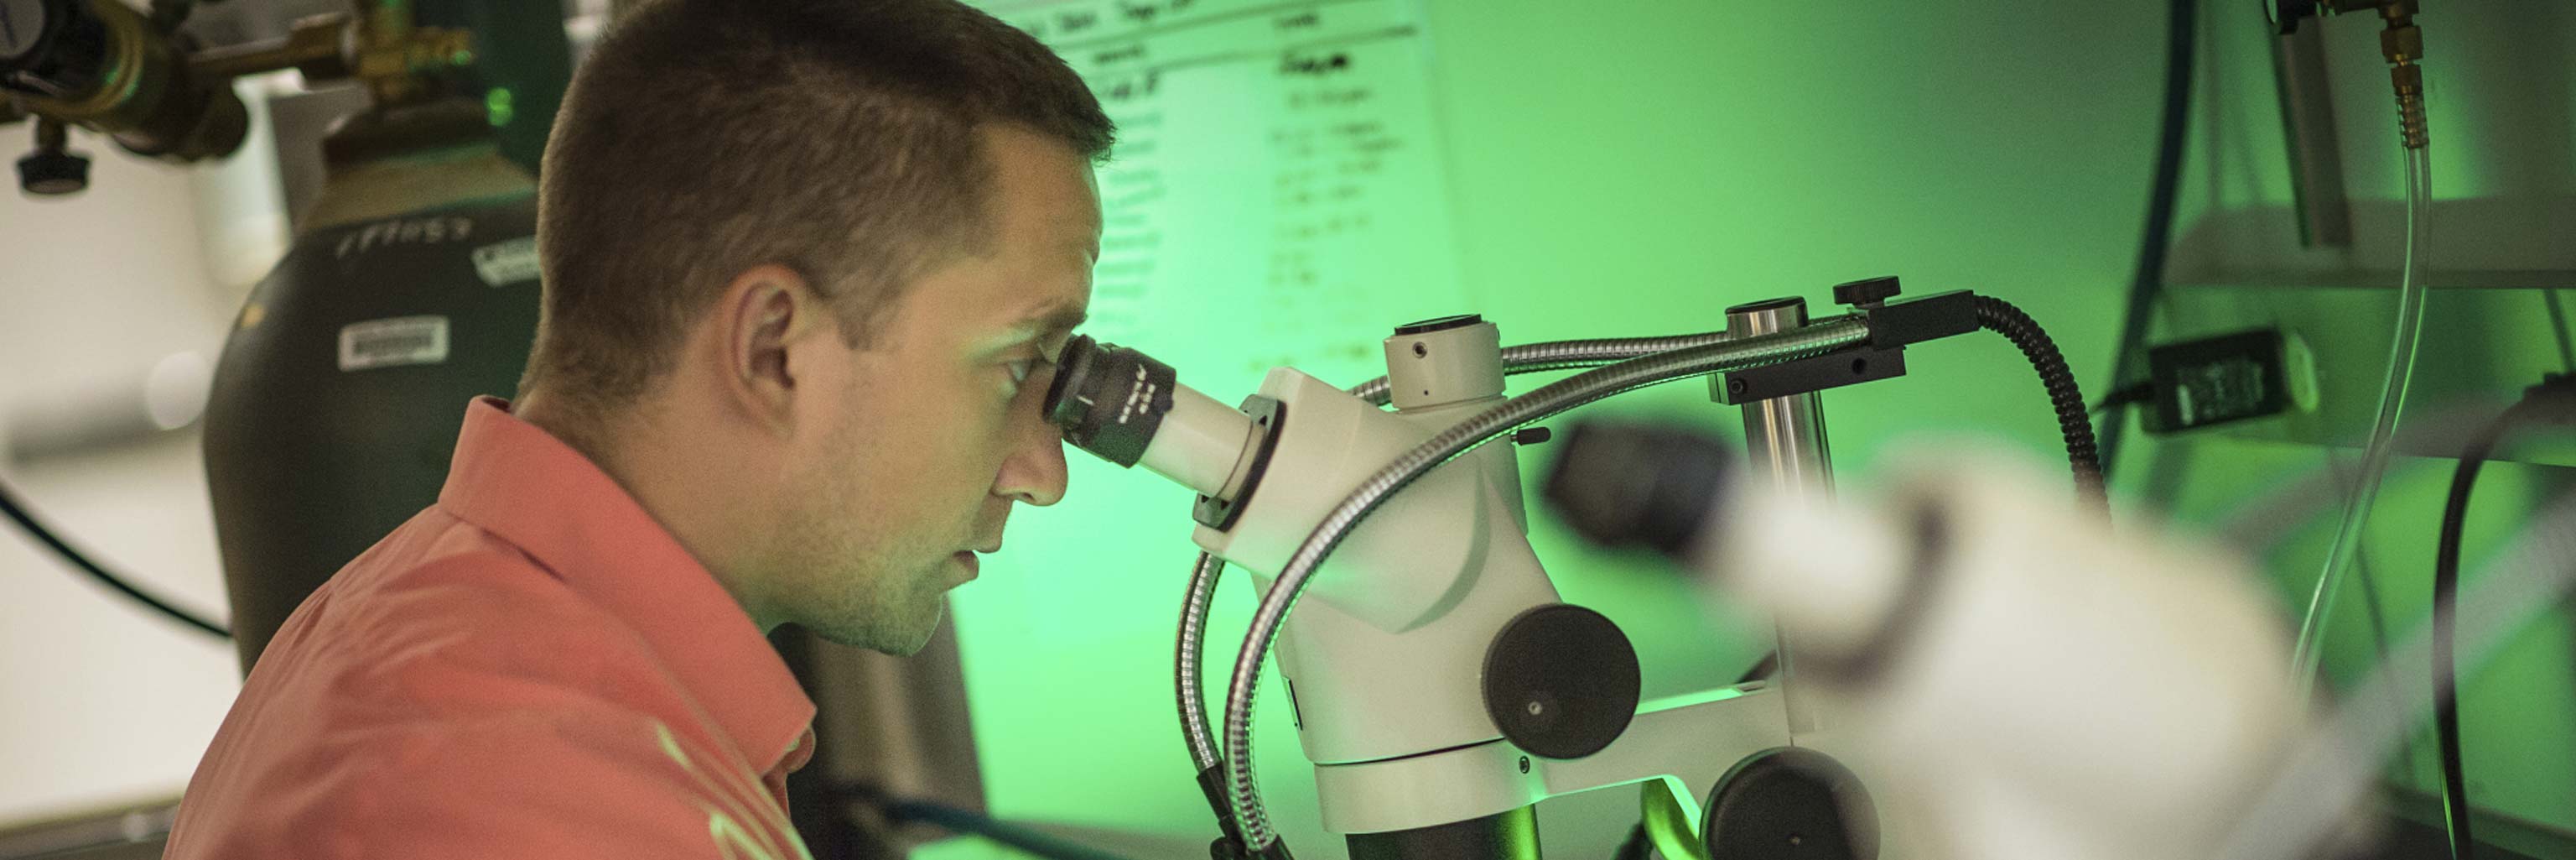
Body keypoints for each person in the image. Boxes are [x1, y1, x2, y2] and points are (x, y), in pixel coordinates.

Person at [164, 0, 1109, 856]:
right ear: (774, 348)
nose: (1042, 469)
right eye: (1018, 362)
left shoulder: (416, 622)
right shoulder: (547, 808)